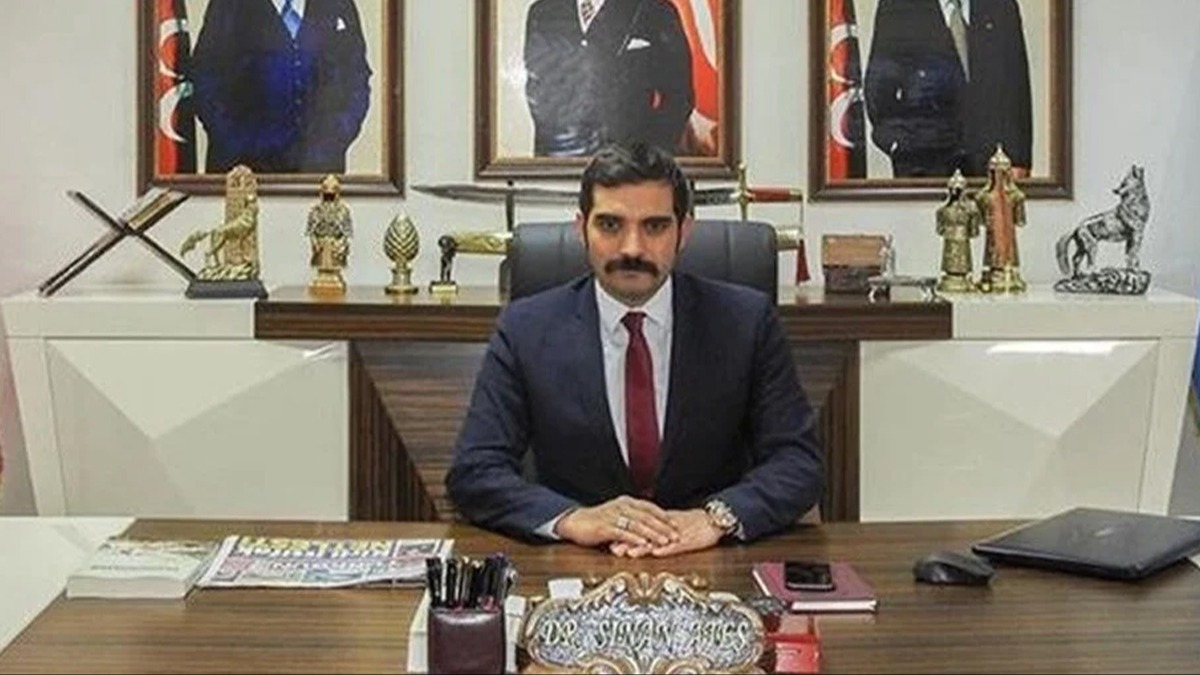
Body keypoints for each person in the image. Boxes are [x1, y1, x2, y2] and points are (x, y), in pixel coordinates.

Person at [446, 142, 824, 557]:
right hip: (576, 565)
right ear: (581, 229)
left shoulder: (746, 323)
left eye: (655, 226)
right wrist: (572, 519)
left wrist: (714, 519)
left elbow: (798, 462)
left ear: (684, 232)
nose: (632, 248)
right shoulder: (526, 329)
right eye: (610, 225)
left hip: (710, 560)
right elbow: (474, 471)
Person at [191, 0, 372, 174]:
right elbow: (203, 80)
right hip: (243, 175)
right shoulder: (228, 5)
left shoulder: (336, 4)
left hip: (319, 175)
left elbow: (357, 78)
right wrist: (238, 143)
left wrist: (334, 139)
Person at [863, 0, 1031, 178]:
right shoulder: (898, 7)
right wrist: (899, 147)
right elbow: (879, 93)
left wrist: (1020, 158)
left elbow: (1017, 88)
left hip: (992, 170)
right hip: (924, 168)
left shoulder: (1001, 6)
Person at [523, 0, 694, 157]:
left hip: (627, 168)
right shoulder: (543, 12)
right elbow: (537, 89)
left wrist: (646, 158)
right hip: (559, 163)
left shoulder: (655, 10)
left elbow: (680, 97)